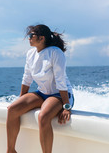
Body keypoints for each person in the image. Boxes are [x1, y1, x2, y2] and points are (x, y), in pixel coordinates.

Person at [6, 24, 74, 153]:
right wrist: (22, 100)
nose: (29, 38)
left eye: (32, 36)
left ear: (42, 38)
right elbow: (27, 78)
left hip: (59, 95)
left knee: (43, 116)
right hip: (42, 93)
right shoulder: (30, 54)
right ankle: (10, 150)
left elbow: (60, 81)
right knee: (12, 109)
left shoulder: (55, 52)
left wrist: (66, 106)